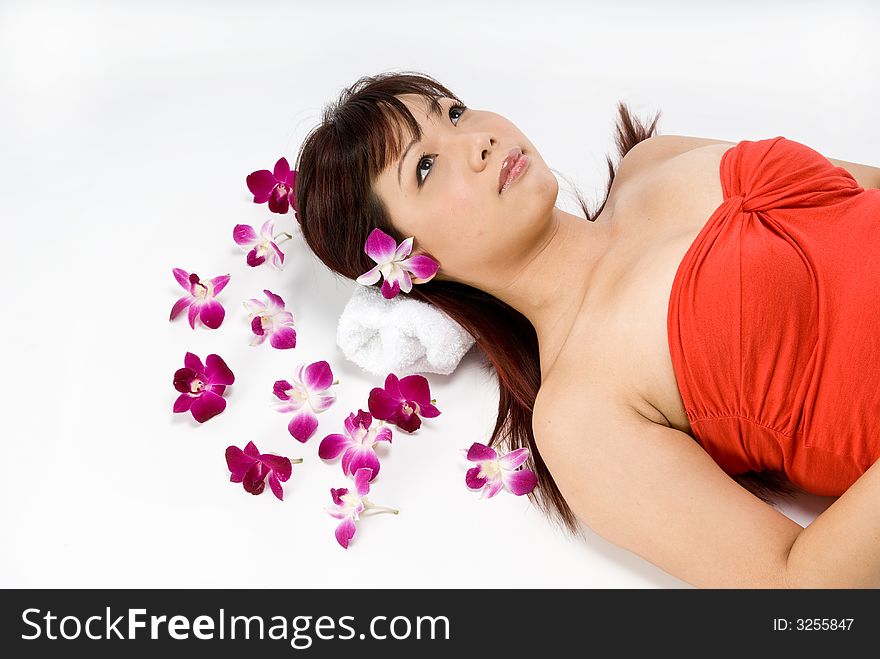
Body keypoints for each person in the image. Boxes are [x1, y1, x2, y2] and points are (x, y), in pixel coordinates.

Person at [293, 70, 880, 588]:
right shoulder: (581, 414)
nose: (478, 140)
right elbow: (800, 592)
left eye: (453, 112)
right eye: (425, 167)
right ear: (407, 264)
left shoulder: (654, 160)